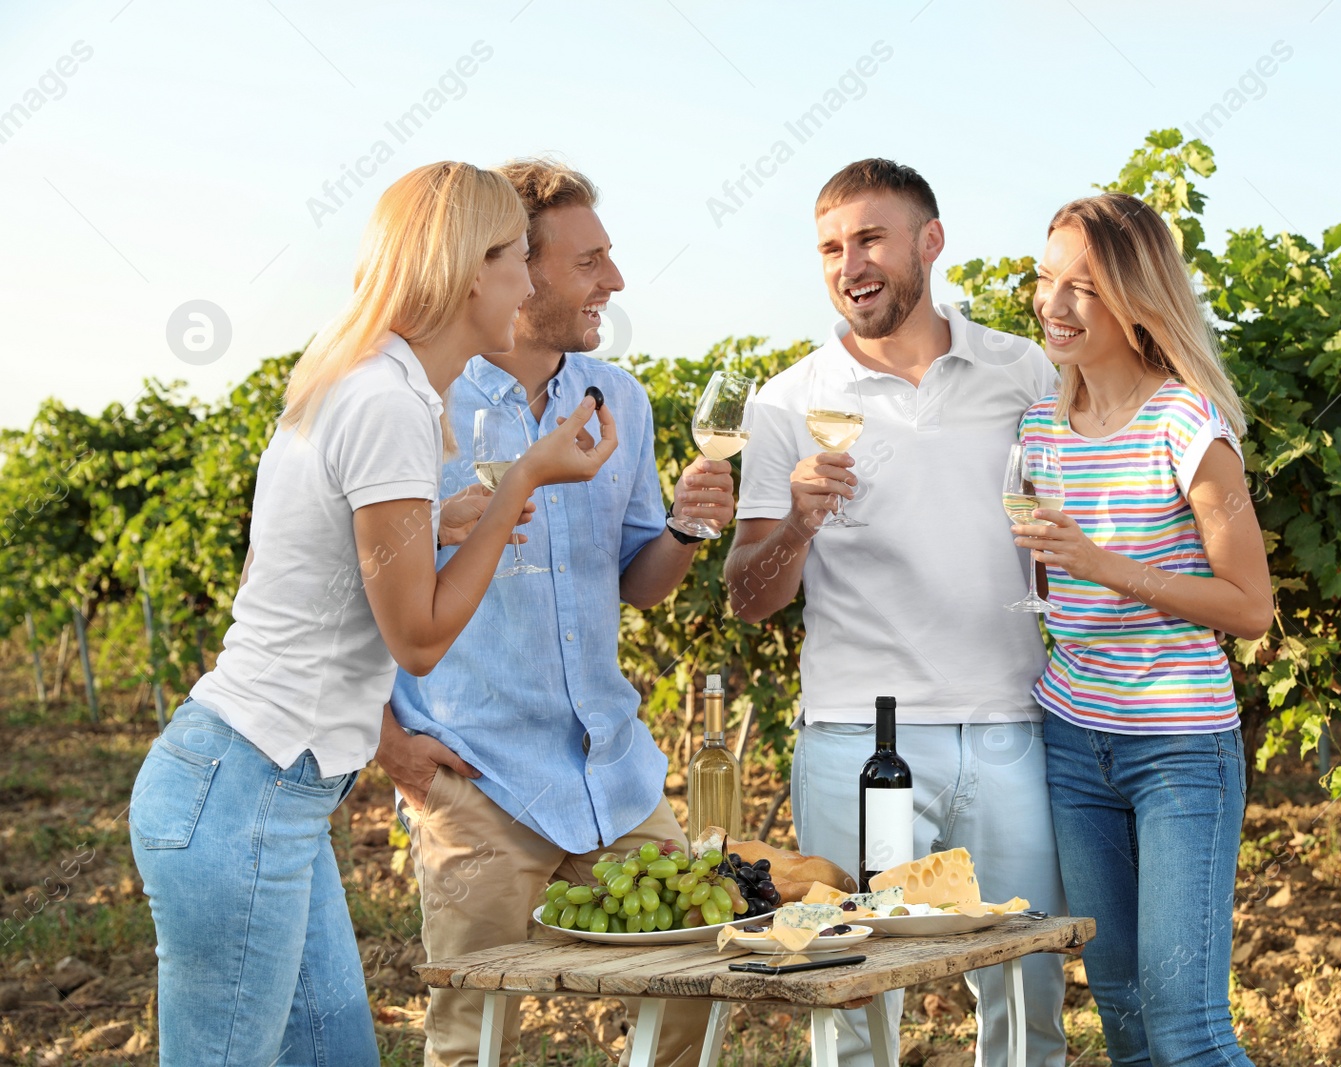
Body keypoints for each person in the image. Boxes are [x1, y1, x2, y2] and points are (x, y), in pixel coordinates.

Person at [128, 161, 618, 1067]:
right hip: (242, 793)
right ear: (472, 269)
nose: (529, 278)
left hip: (268, 791)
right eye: (516, 255)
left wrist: (449, 519)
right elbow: (419, 639)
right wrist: (521, 480)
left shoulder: (372, 380)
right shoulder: (389, 402)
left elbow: (359, 558)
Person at [381, 157, 734, 1067]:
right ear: (512, 267)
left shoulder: (619, 401)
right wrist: (386, 739)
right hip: (480, 774)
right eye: (590, 262)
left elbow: (636, 579)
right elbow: (340, 587)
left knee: (701, 980)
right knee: (474, 1035)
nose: (613, 281)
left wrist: (689, 528)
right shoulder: (416, 402)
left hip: (610, 766)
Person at [725, 158, 1068, 1067]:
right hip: (855, 740)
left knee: (1029, 999)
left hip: (1013, 728)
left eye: (870, 238)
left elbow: (1066, 516)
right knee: (854, 1003)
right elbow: (750, 600)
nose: (850, 264)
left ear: (931, 241)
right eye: (831, 247)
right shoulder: (786, 402)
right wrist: (797, 519)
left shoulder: (1022, 370)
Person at [1013, 191, 1273, 1066]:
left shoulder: (1188, 425)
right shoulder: (1040, 429)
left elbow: (1251, 607)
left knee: (1186, 1027)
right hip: (1074, 741)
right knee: (1121, 1013)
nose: (1055, 304)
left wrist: (1105, 564)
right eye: (1046, 280)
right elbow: (1053, 586)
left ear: (1138, 297)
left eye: (1084, 287)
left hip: (1179, 749)